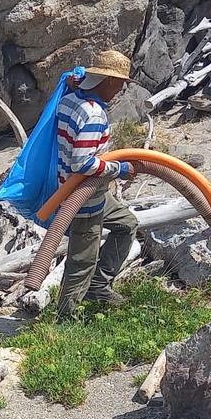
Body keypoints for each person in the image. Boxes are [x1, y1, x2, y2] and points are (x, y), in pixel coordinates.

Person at [50, 50, 140, 316]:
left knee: (127, 224)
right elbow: (82, 163)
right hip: (81, 198)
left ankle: (98, 285)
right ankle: (66, 318)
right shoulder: (93, 114)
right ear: (109, 82)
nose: (121, 90)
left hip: (88, 191)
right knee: (82, 261)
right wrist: (118, 168)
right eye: (120, 84)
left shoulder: (70, 98)